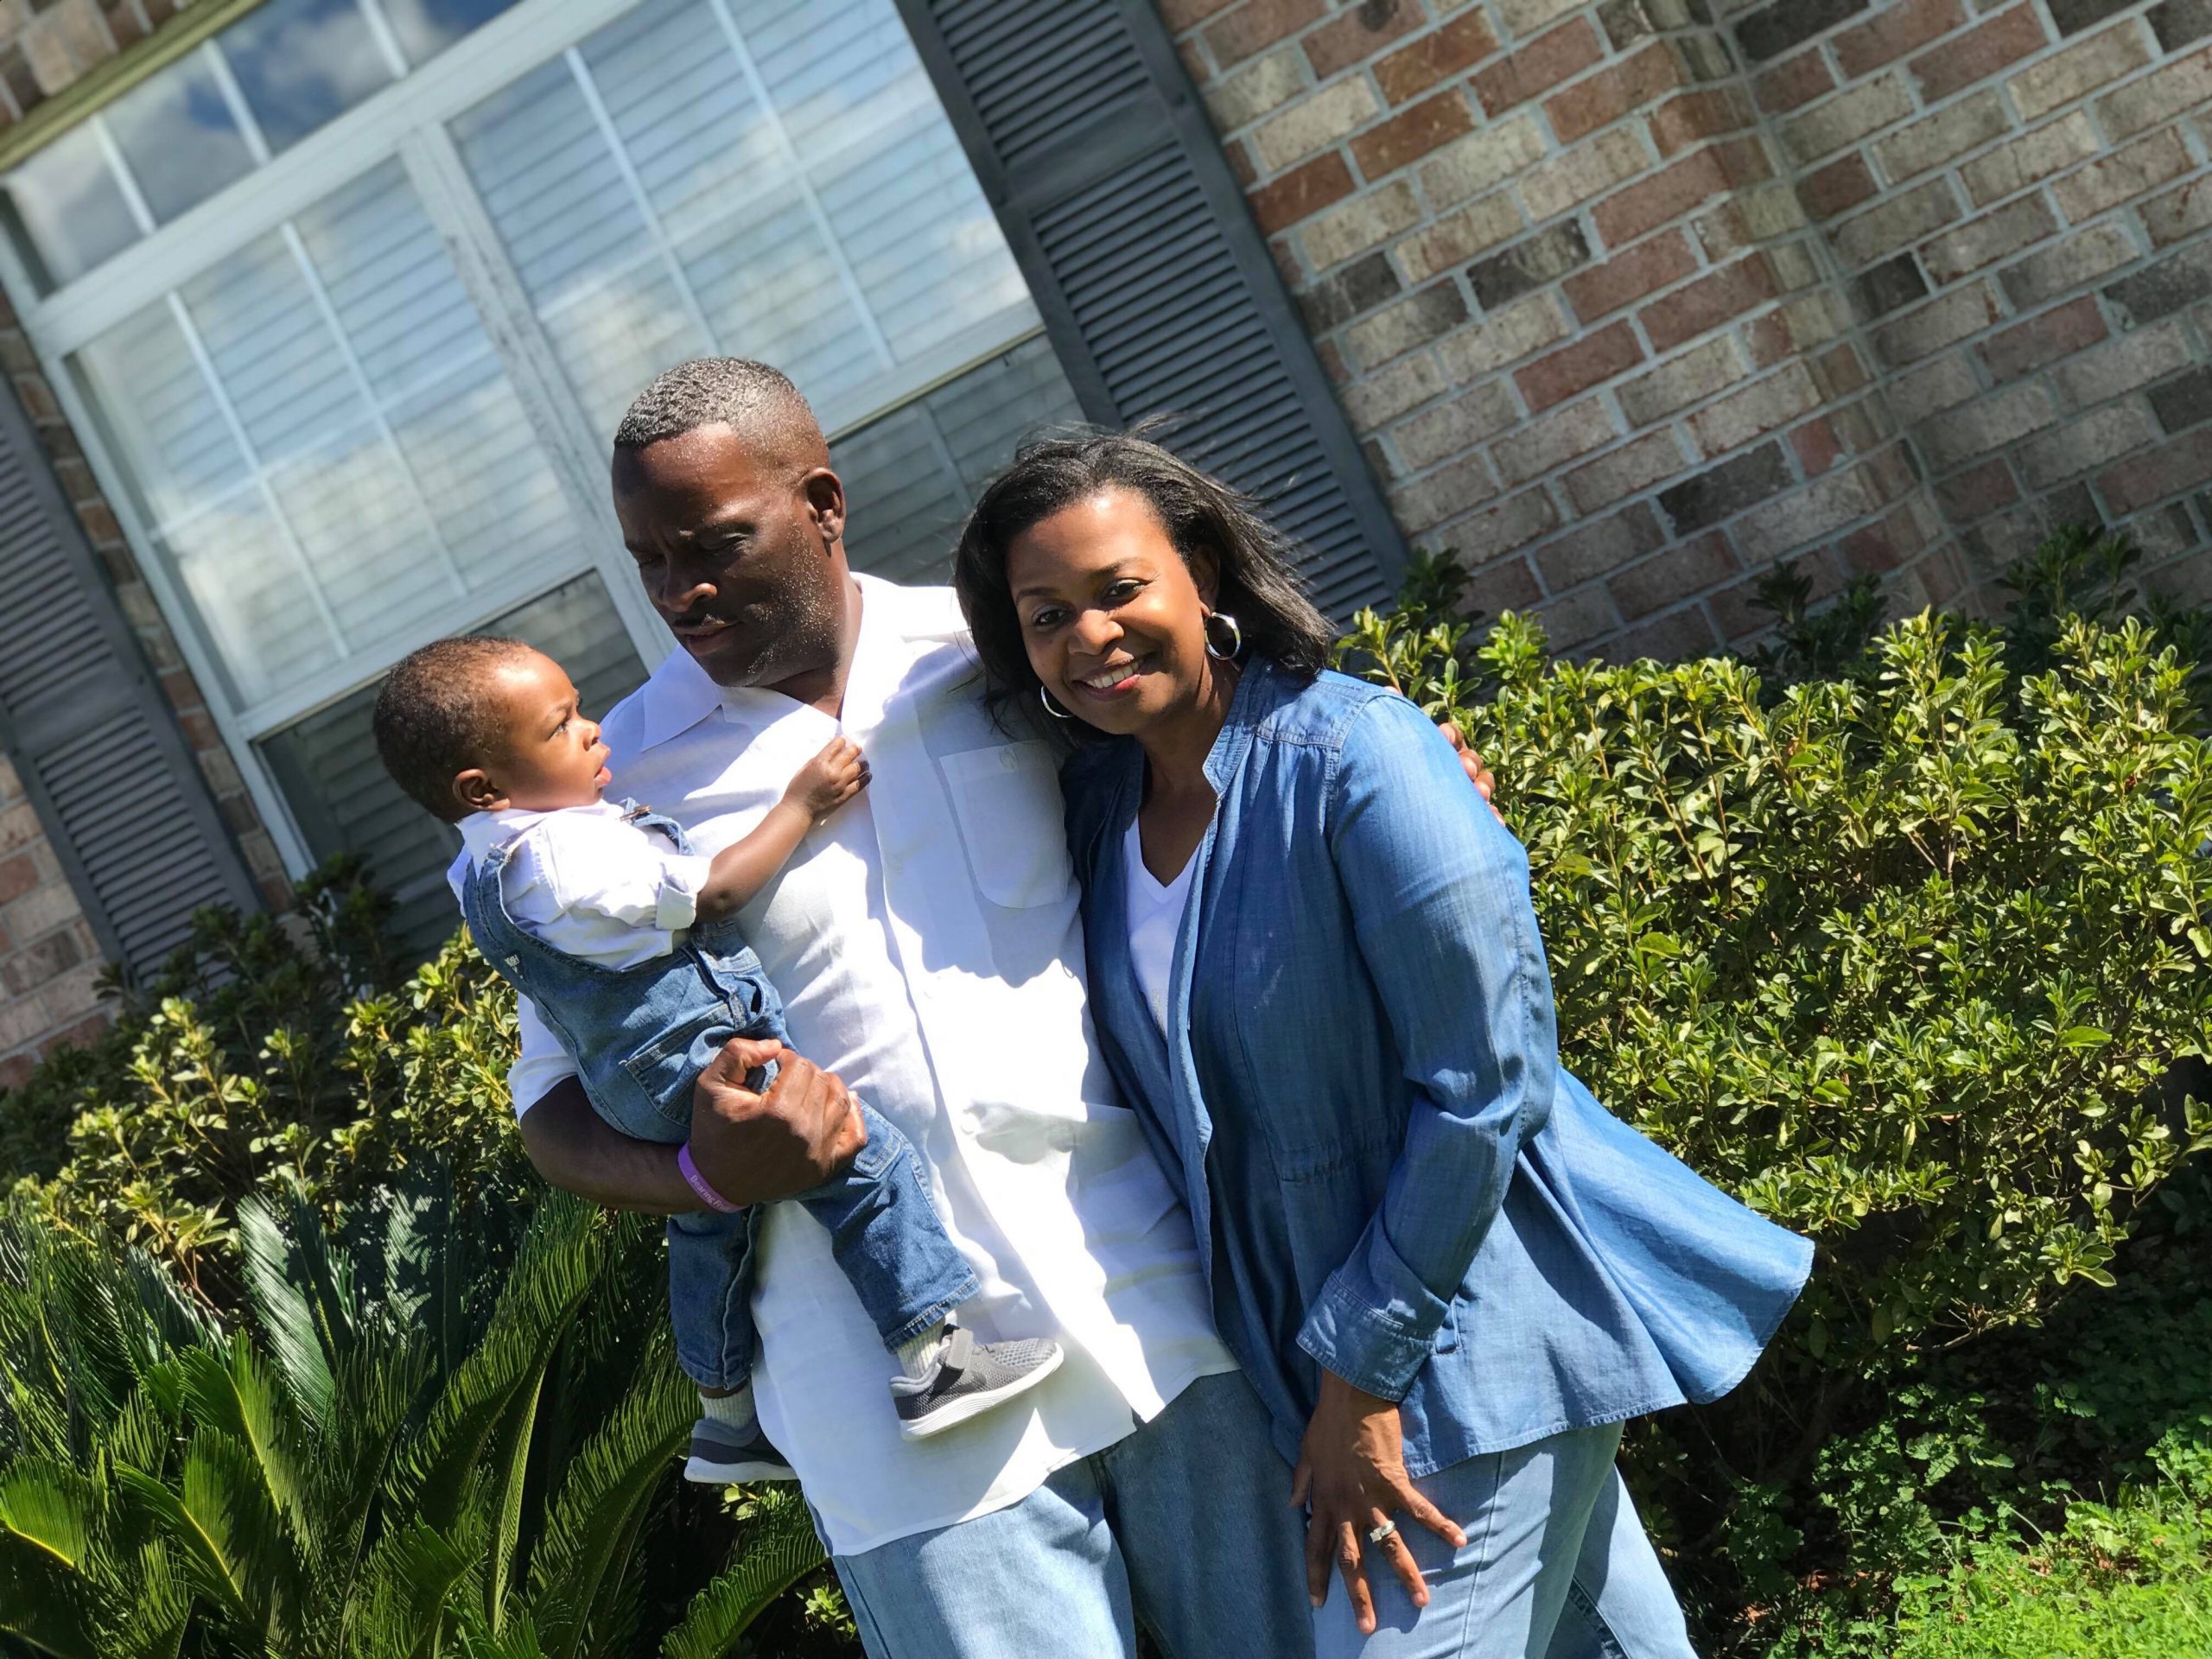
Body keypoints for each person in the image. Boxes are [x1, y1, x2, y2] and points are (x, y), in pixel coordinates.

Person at [950, 432, 1817, 1658]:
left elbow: (1485, 1086)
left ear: (1202, 572)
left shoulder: (1360, 753)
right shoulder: (1093, 812)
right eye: (1046, 616)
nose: (1089, 635)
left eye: (1120, 588)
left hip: (1460, 1338)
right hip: (1322, 1374)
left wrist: (1362, 1381)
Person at [370, 637, 1065, 1486]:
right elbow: (714, 893)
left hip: (631, 1084)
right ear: (482, 789)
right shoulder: (561, 852)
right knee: (857, 1155)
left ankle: (726, 1416)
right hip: (697, 1059)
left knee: (711, 1223)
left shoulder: (484, 870)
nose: (593, 732)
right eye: (560, 728)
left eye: (579, 710)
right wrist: (801, 804)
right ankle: (933, 1359)